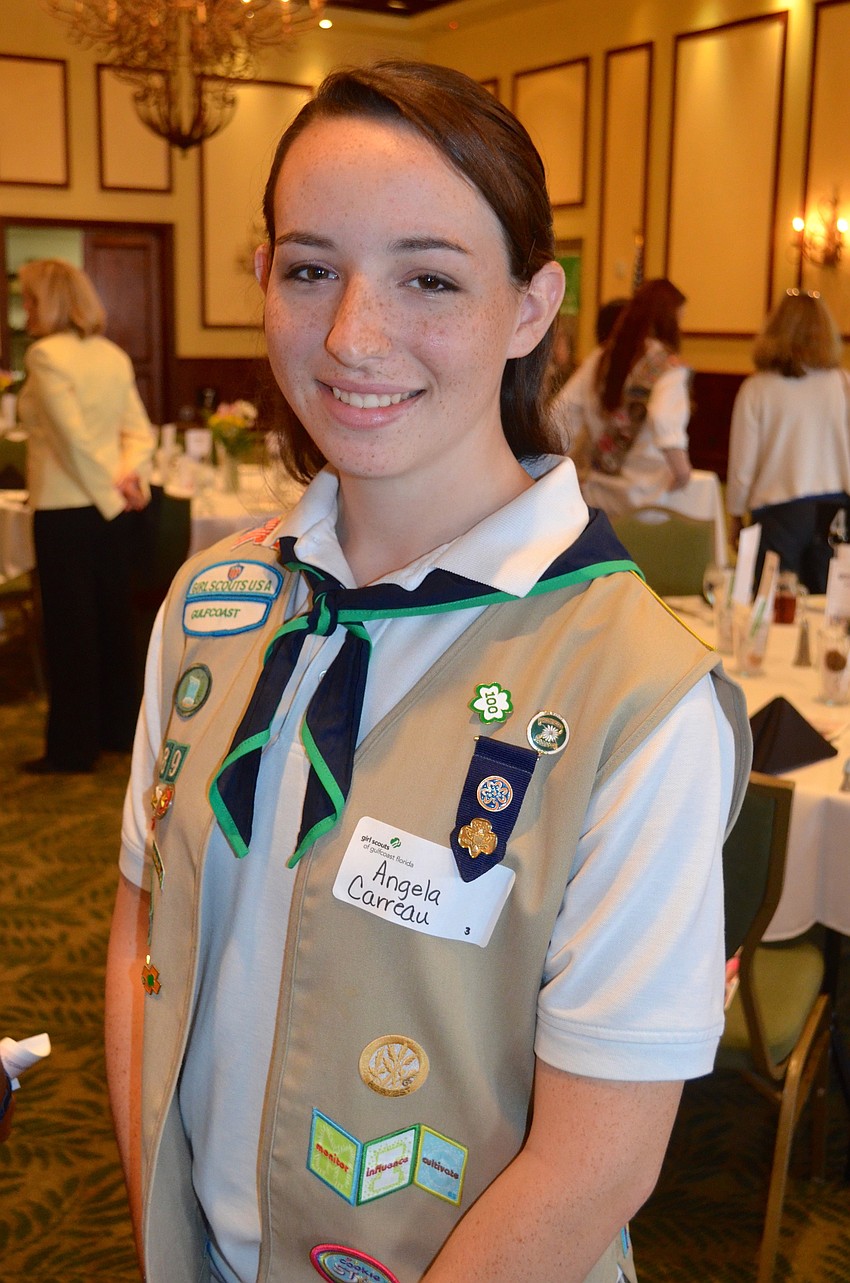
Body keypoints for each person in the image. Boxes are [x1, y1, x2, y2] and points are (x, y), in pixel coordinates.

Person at [105, 62, 750, 1283]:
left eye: (429, 277)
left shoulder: (639, 695)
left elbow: (596, 1164)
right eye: (309, 269)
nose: (353, 335)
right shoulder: (210, 606)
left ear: (528, 307)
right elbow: (146, 908)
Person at [16, 259, 155, 774]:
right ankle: (118, 731)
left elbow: (71, 439)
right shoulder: (111, 354)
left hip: (65, 511)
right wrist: (125, 481)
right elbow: (140, 432)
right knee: (111, 622)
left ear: (48, 301)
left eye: (29, 300)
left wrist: (110, 490)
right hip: (110, 512)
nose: (25, 310)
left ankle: (74, 747)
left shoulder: (45, 355)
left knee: (70, 630)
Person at [727, 289, 850, 594]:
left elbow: (742, 467)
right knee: (830, 609)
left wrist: (734, 513)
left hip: (778, 514)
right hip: (835, 511)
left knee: (773, 608)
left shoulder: (756, 389)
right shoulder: (844, 384)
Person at [549, 279, 692, 518]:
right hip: (646, 500)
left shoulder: (600, 359)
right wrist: (682, 472)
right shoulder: (668, 368)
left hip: (599, 494)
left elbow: (560, 414)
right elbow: (663, 418)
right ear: (670, 321)